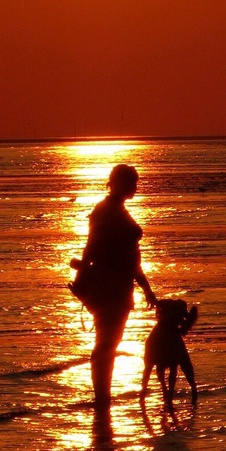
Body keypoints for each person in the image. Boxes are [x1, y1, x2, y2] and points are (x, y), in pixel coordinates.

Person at [81, 164, 156, 411]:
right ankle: (101, 397)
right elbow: (92, 247)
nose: (135, 187)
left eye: (136, 182)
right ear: (118, 183)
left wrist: (145, 287)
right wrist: (83, 275)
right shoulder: (105, 211)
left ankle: (103, 396)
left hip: (121, 285)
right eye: (132, 182)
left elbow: (131, 256)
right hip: (109, 285)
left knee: (109, 342)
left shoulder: (117, 210)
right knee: (106, 342)